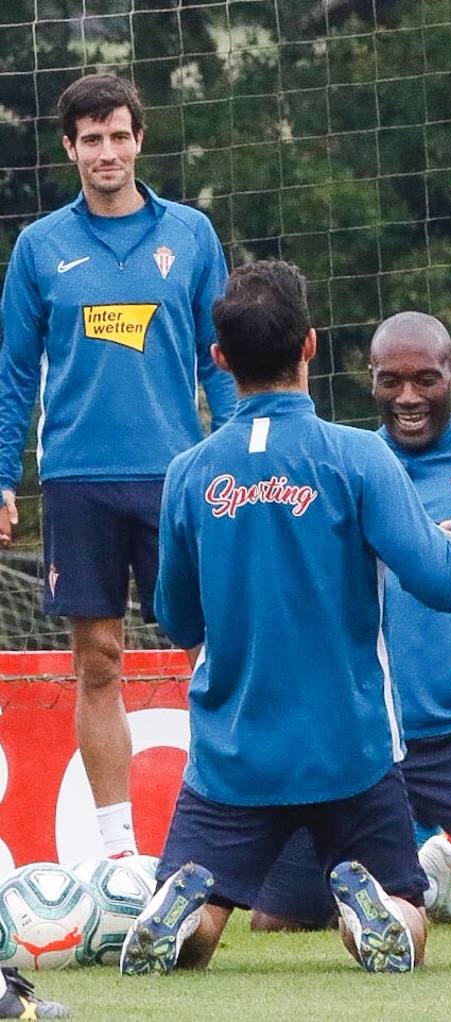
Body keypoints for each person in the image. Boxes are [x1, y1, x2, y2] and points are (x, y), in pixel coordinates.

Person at [118, 261, 451, 976]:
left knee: (200, 929)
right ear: (311, 346)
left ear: (221, 359)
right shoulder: (356, 457)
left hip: (233, 757)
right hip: (348, 753)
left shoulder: (190, 473)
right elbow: (444, 581)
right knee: (407, 922)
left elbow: (176, 621)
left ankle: (184, 915)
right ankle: (373, 912)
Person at [0, 73, 237, 859]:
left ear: (140, 139)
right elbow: (14, 374)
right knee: (97, 659)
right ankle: (116, 856)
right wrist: (3, 475)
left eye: (120, 135)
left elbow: (221, 361)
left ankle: (218, 834)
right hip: (77, 482)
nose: (108, 152)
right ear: (70, 149)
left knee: (207, 651)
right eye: (91, 139)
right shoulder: (40, 248)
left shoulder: (192, 235)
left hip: (176, 480)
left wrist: (235, 452)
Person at [249, 311, 451, 931]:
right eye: (391, 381)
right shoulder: (341, 466)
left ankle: (427, 869)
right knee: (276, 923)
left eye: (425, 379)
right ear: (370, 380)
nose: (408, 397)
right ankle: (422, 872)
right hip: (359, 746)